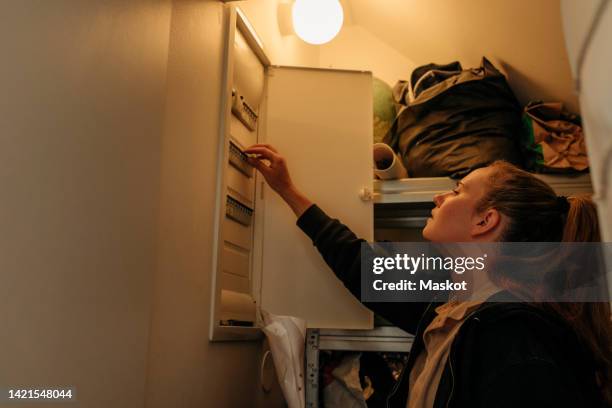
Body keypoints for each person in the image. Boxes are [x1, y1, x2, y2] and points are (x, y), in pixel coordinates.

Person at [245, 144, 612, 408]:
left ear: (486, 220)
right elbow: (360, 264)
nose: (439, 197)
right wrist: (288, 191)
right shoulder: (451, 306)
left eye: (457, 190)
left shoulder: (514, 338)